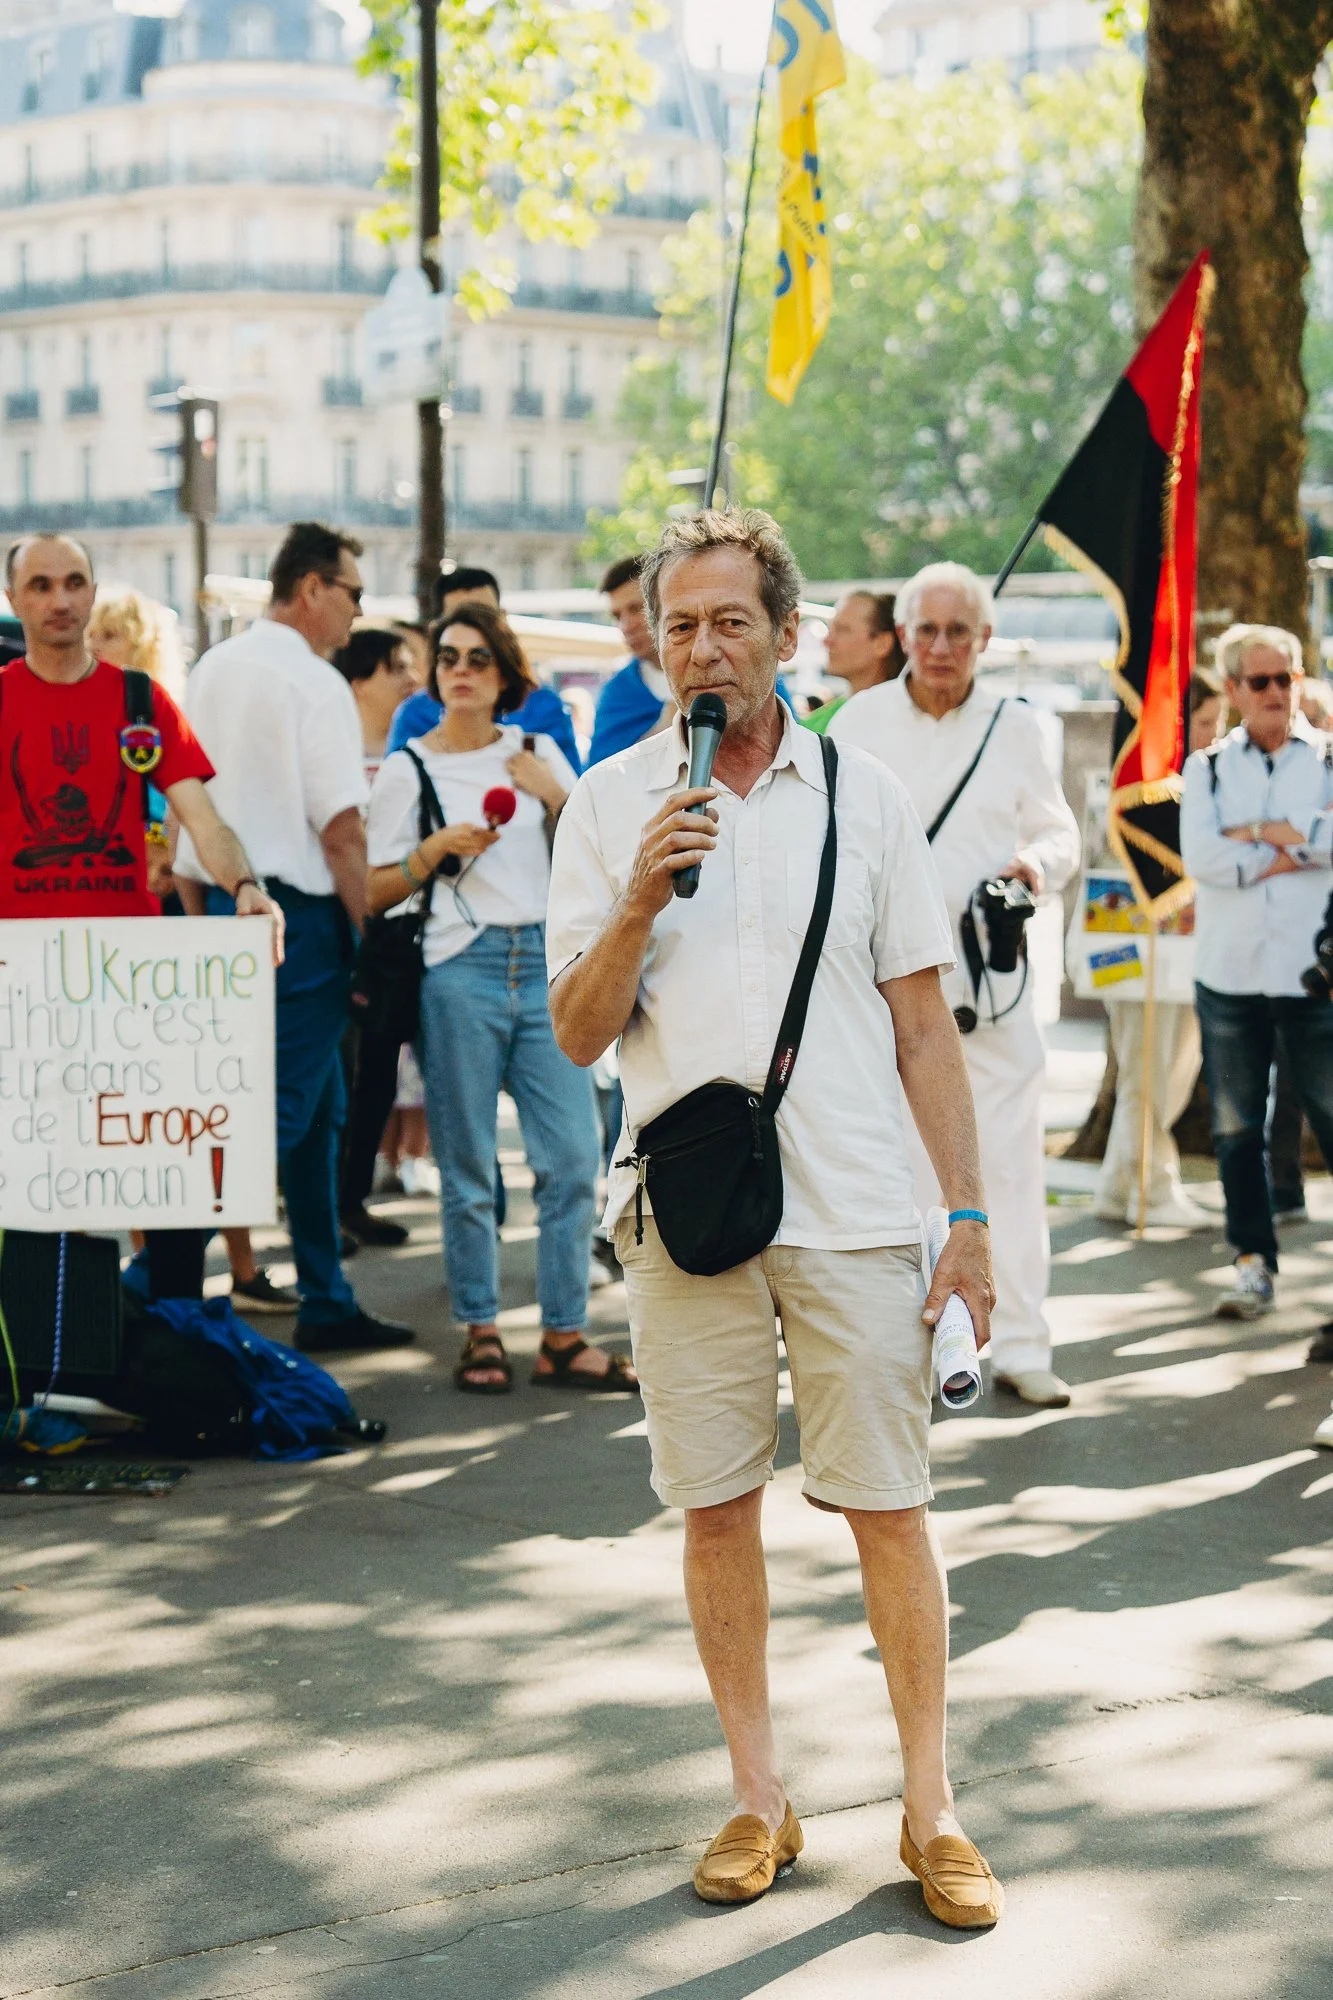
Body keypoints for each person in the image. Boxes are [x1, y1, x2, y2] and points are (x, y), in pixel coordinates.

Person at [549, 509, 1004, 1930]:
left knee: (889, 1509)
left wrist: (968, 1217)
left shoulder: (865, 796)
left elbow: (924, 1027)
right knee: (714, 1508)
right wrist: (638, 899)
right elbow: (577, 1033)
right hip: (687, 1215)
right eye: (678, 623)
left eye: (729, 621)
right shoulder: (607, 803)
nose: (701, 648)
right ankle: (759, 1796)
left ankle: (930, 1805)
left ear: (787, 637)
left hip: (856, 1204)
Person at [2, 534, 283, 1304]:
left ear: (92, 593)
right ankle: (46, 1355)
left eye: (74, 582)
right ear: (15, 599)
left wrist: (245, 886)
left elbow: (202, 818)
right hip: (20, 991)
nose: (59, 600)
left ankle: (168, 1336)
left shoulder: (139, 703)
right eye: (40, 585)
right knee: (33, 1189)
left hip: (128, 988)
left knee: (165, 1177)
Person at [830, 560, 1080, 1409]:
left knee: (1006, 1171)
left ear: (984, 639)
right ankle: (911, 1347)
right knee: (896, 1177)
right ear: (902, 635)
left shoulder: (1019, 725)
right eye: (927, 630)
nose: (940, 647)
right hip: (885, 994)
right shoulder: (858, 721)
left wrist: (1031, 867)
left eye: (958, 632)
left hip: (990, 993)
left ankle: (1022, 1344)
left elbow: (1059, 834)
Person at [366, 601, 625, 1396]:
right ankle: (480, 1329)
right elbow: (373, 891)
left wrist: (555, 796)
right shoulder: (408, 768)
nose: (461, 670)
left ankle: (563, 1335)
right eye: (448, 657)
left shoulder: (537, 753)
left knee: (572, 1160)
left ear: (505, 673)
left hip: (545, 966)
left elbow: (605, 854)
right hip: (458, 971)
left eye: (478, 657)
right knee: (469, 1166)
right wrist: (430, 852)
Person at [174, 522, 412, 1354]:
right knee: (273, 1115)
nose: (357, 611)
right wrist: (367, 933)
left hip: (219, 904)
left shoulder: (212, 667)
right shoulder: (313, 681)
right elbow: (341, 830)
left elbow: (187, 809)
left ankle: (324, 1293)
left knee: (315, 1113)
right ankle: (156, 1279)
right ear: (311, 588)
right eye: (353, 593)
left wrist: (198, 913)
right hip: (298, 918)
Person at [90, 583, 299, 1313]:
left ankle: (223, 1271)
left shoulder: (154, 714)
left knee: (193, 1116)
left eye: (108, 632)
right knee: (122, 1126)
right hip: (88, 951)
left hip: (167, 940)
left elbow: (199, 823)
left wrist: (220, 881)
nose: (93, 644)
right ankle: (147, 1278)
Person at [1180, 622, 1333, 1332]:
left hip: (1312, 974)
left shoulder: (1327, 759)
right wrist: (1297, 841)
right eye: (1261, 681)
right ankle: (1251, 1263)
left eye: (1286, 678)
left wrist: (1255, 832)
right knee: (1236, 1127)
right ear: (1234, 688)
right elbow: (1202, 859)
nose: (1276, 692)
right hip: (1230, 973)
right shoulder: (1207, 769)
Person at [1092, 674, 1223, 1230]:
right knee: (1149, 1071)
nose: (1214, 734)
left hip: (1183, 952)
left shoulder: (1202, 780)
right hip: (1137, 950)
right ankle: (1150, 1185)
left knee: (1172, 1068)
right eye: (1205, 722)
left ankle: (1122, 1183)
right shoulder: (1143, 784)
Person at [386, 566, 582, 773]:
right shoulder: (414, 715)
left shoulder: (545, 708)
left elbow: (576, 790)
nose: (472, 627)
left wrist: (547, 788)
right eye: (459, 619)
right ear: (440, 631)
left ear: (503, 620)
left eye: (485, 617)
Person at [587, 555, 676, 764]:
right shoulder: (617, 694)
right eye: (617, 616)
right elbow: (602, 774)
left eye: (636, 609)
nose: (625, 626)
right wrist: (664, 729)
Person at [803, 589, 904, 735]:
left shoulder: (912, 722)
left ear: (882, 643)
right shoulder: (812, 729)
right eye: (831, 629)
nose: (827, 640)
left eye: (842, 630)